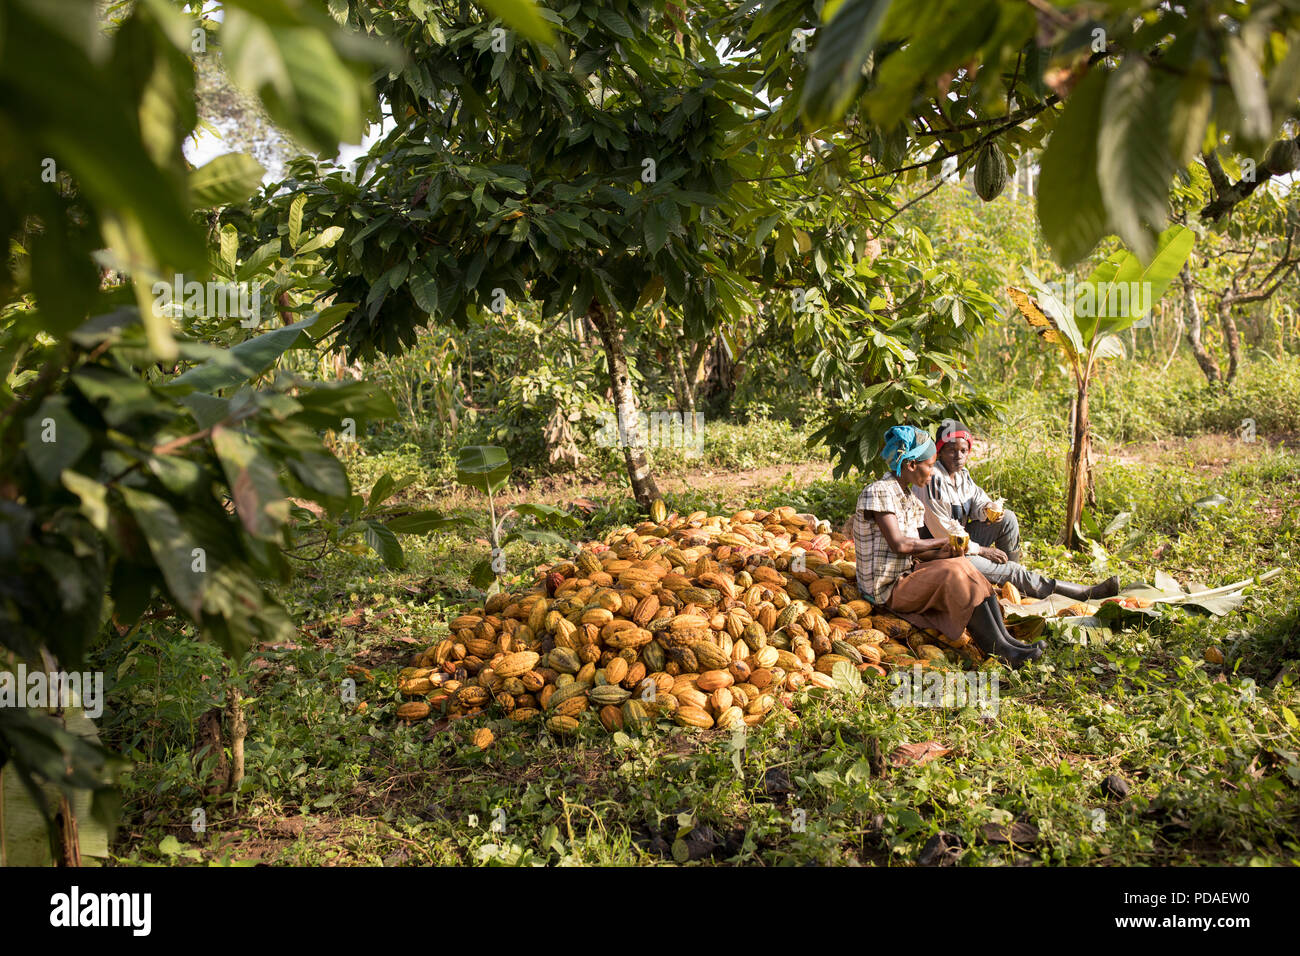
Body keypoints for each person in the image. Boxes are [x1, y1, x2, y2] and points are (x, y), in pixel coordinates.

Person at [853, 424, 1044, 669]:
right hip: (884, 589)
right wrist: (944, 541)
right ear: (911, 465)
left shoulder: (909, 499)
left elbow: (917, 550)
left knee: (961, 564)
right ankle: (999, 651)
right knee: (954, 574)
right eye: (930, 466)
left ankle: (1007, 642)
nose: (933, 472)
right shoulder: (878, 491)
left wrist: (948, 552)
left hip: (906, 575)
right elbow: (900, 545)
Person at [917, 419, 1119, 602]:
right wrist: (984, 551)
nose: (959, 456)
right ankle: (1083, 593)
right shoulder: (933, 479)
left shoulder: (961, 475)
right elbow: (943, 534)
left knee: (1008, 519)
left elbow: (977, 500)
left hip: (961, 544)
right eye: (952, 450)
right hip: (943, 553)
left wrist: (989, 510)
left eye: (963, 451)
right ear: (940, 452)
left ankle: (1013, 587)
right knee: (1012, 571)